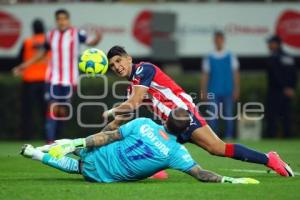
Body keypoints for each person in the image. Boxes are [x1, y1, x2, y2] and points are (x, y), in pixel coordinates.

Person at [99, 45, 293, 178]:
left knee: (217, 148)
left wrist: (110, 111)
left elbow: (133, 104)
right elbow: (118, 123)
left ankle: (269, 159)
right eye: (113, 65)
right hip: (171, 125)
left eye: (118, 60)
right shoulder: (131, 88)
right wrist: (91, 142)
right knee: (141, 142)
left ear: (129, 58)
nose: (117, 67)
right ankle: (153, 169)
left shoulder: (143, 69)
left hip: (183, 115)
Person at [20, 108, 259, 184]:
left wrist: (78, 141)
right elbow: (201, 174)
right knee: (76, 167)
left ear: (165, 120)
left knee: (83, 148)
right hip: (100, 175)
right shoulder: (177, 153)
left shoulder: (144, 123)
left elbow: (110, 136)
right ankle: (35, 154)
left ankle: (50, 147)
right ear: (186, 131)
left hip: (98, 152)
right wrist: (229, 180)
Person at [13, 9, 101, 142]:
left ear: (68, 20)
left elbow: (91, 42)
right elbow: (41, 54)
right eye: (59, 19)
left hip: (70, 79)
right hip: (53, 78)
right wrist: (24, 66)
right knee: (52, 108)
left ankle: (58, 139)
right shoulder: (51, 35)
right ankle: (49, 141)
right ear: (56, 21)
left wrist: (98, 37)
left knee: (63, 111)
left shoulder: (76, 34)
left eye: (64, 19)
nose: (62, 21)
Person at [201, 31, 240, 139]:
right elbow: (205, 75)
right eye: (216, 39)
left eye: (219, 39)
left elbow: (235, 74)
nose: (218, 41)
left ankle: (229, 136)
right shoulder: (208, 57)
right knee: (212, 115)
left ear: (223, 40)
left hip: (228, 90)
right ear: (214, 41)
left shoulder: (231, 56)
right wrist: (203, 91)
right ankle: (214, 137)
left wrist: (236, 89)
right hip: (213, 91)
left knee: (228, 115)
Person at [14, 19, 47, 140]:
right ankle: (48, 136)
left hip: (29, 80)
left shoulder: (27, 41)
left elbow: (19, 59)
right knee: (45, 111)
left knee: (27, 111)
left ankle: (26, 135)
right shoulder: (48, 41)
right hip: (45, 80)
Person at [265, 35, 298, 138]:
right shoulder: (289, 57)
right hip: (288, 92)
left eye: (270, 43)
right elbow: (294, 75)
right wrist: (291, 88)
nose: (269, 45)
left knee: (273, 117)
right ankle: (288, 136)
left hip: (276, 92)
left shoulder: (273, 58)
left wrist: (284, 88)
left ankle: (272, 137)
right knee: (286, 116)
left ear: (276, 44)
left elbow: (275, 75)